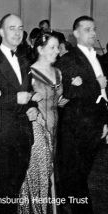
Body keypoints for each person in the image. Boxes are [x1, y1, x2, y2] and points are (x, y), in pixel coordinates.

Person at [0, 14, 38, 214]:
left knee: (14, 188)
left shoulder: (24, 60)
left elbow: (26, 95)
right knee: (1, 191)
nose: (17, 32)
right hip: (1, 135)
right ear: (1, 32)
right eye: (12, 28)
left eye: (20, 28)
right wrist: (15, 99)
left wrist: (30, 106)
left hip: (22, 134)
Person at [55, 16, 108, 214]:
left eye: (94, 29)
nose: (93, 33)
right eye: (87, 29)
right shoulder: (68, 60)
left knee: (81, 174)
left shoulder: (97, 58)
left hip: (95, 125)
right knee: (76, 177)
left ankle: (65, 198)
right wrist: (96, 85)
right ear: (76, 33)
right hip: (76, 127)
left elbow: (102, 96)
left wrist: (105, 122)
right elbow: (67, 92)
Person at [18, 32, 68, 214]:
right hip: (37, 127)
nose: (57, 51)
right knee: (37, 173)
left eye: (57, 47)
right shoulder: (28, 71)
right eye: (52, 47)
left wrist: (62, 101)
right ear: (40, 49)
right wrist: (31, 99)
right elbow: (19, 99)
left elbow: (57, 97)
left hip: (56, 125)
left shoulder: (58, 72)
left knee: (52, 171)